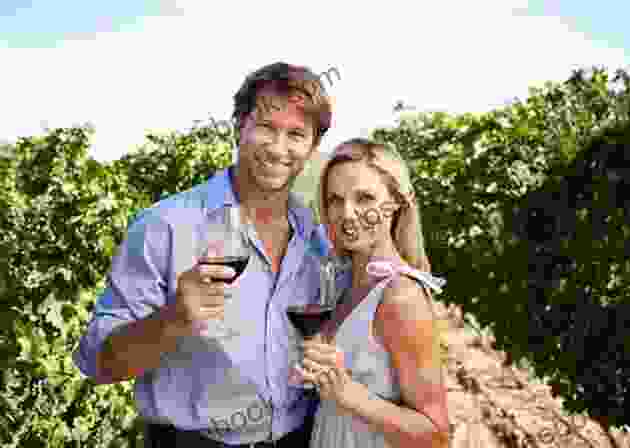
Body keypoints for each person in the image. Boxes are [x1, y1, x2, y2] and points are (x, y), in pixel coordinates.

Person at [73, 62, 334, 447]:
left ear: (312, 147)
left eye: (296, 134)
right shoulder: (164, 227)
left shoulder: (316, 237)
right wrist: (173, 318)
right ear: (238, 128)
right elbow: (98, 362)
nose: (279, 148)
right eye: (266, 127)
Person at [296, 138, 453, 447]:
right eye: (335, 200)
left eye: (364, 198)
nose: (347, 213)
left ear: (395, 203)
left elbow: (436, 435)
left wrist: (348, 394)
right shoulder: (343, 284)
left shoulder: (400, 296)